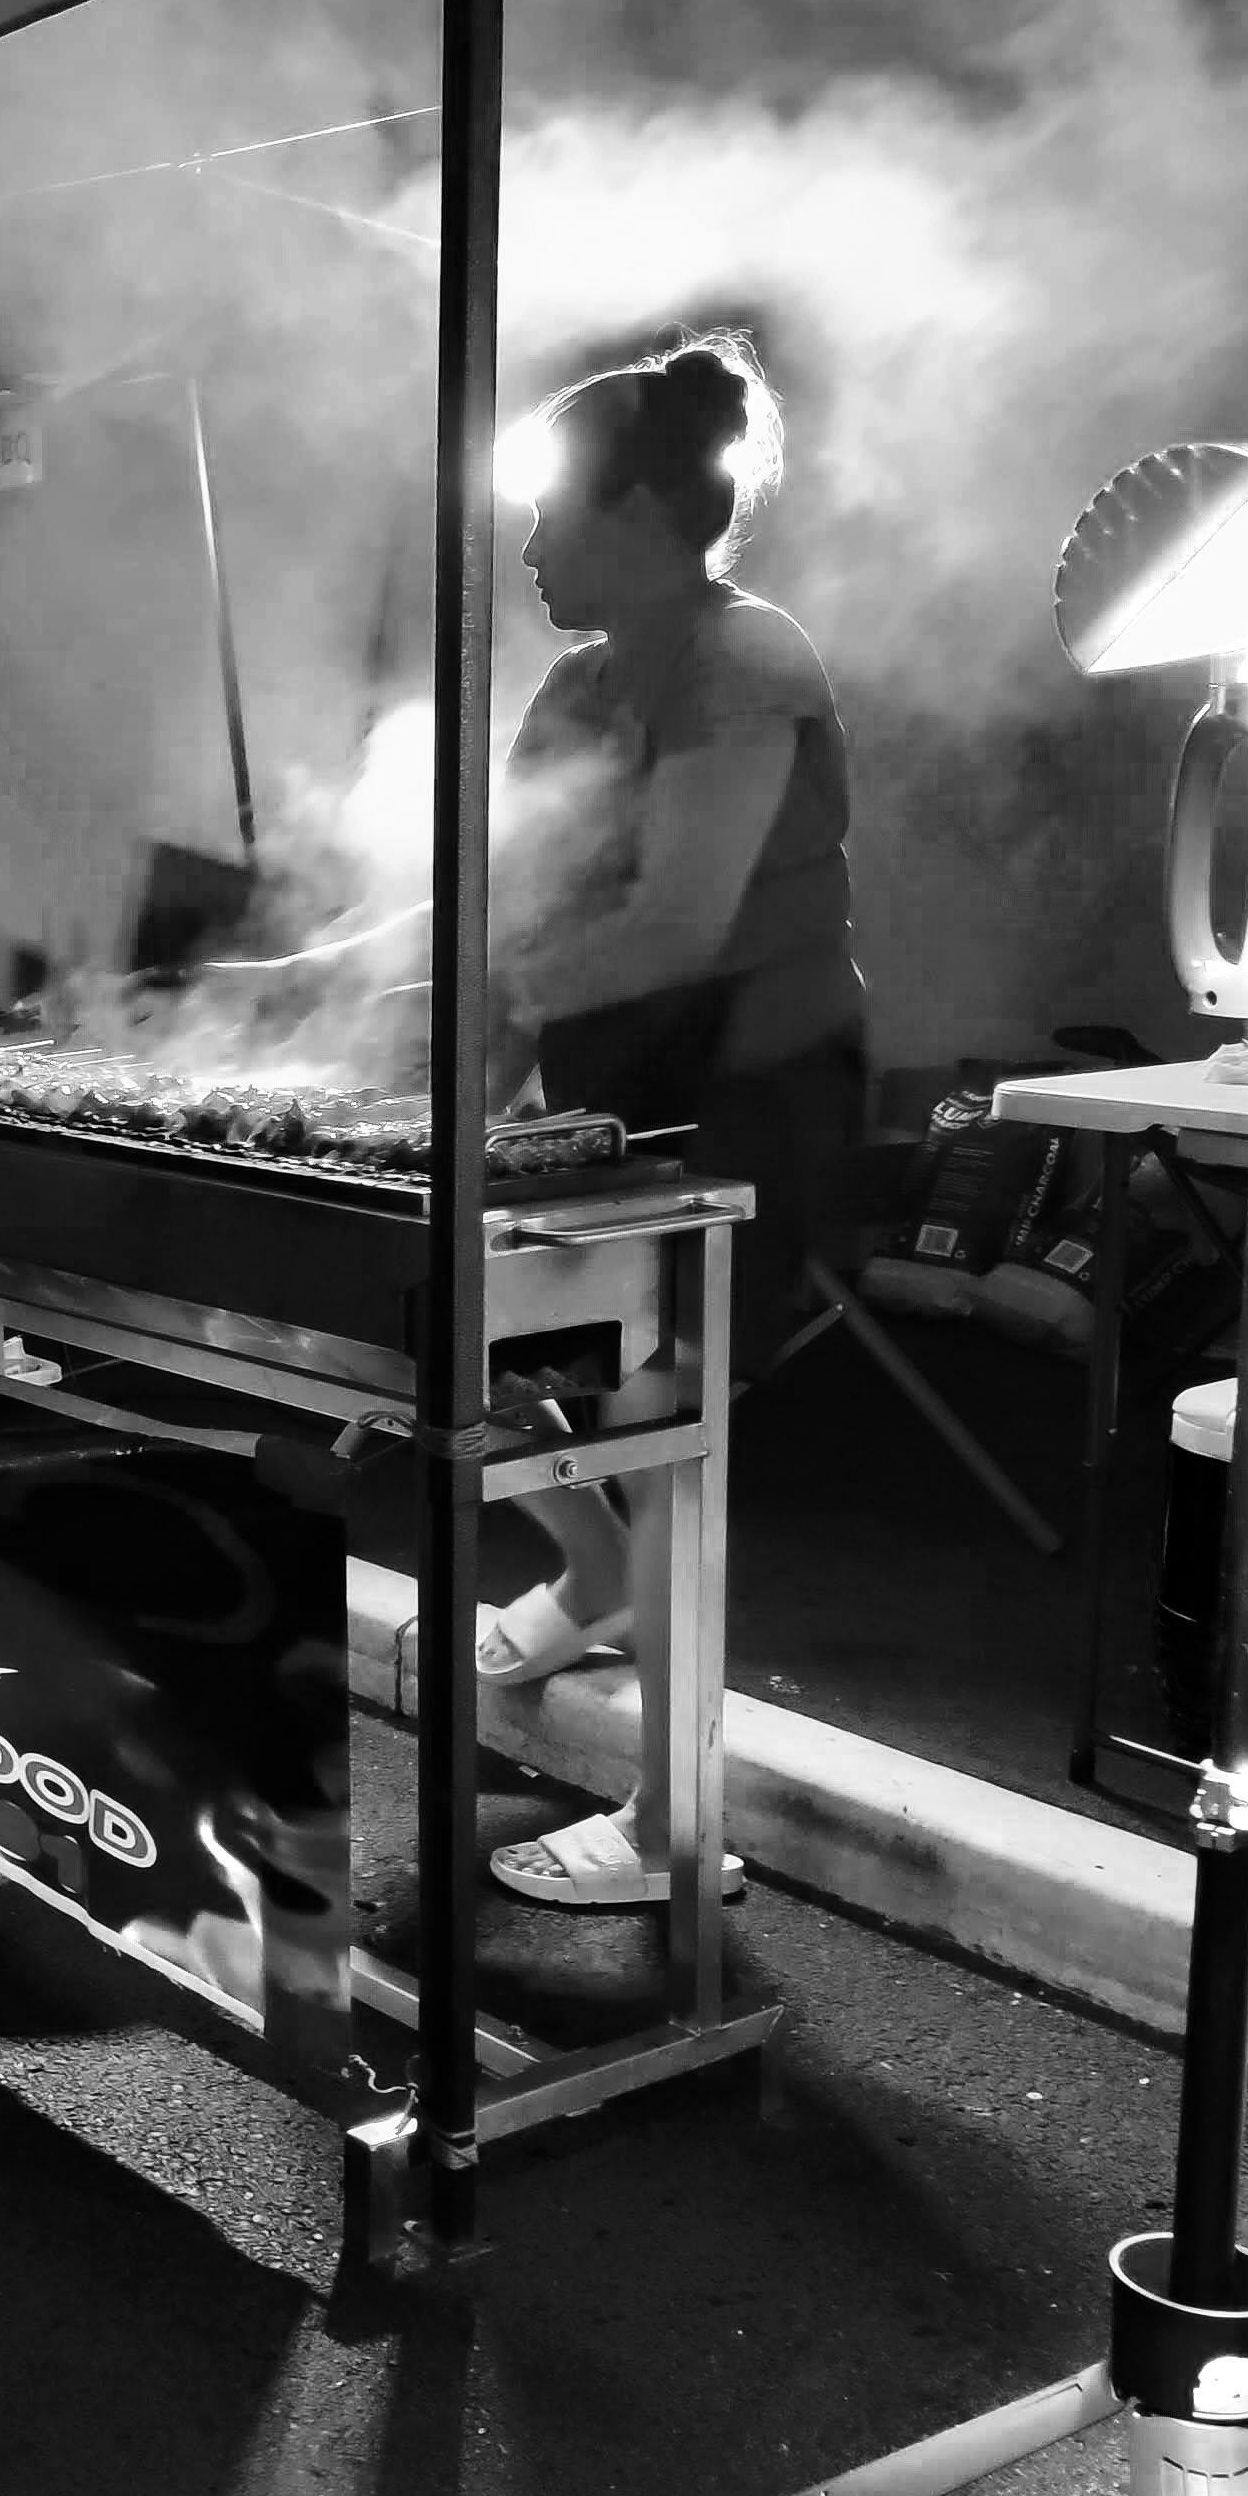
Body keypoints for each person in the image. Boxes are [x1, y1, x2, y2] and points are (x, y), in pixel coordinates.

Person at [476, 336, 866, 1897]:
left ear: (639, 507)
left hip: (755, 1091)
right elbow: (508, 891)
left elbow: (682, 922)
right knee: (520, 1352)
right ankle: (593, 1582)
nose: (526, 548)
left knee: (661, 1422)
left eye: (550, 516)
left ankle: (673, 1830)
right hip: (612, 1086)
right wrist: (325, 973)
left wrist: (495, 1002)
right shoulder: (580, 682)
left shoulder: (745, 658)